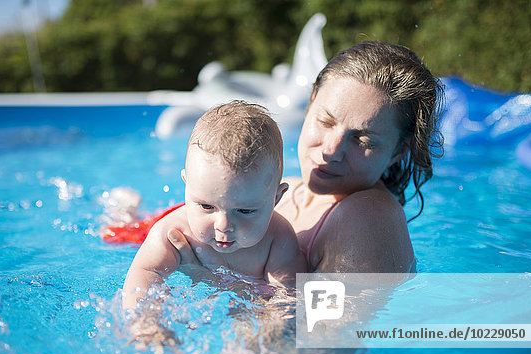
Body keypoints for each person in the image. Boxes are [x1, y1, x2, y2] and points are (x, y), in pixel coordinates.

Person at [168, 41, 444, 274]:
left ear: (398, 151)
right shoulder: (288, 189)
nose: (330, 150)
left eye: (363, 139)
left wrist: (216, 277)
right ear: (310, 102)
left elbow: (325, 335)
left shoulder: (369, 219)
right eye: (325, 121)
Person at [122, 101, 307, 310]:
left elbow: (289, 295)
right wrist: (146, 321)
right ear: (187, 184)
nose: (223, 224)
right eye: (206, 206)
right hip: (149, 227)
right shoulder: (174, 231)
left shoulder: (278, 238)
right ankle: (125, 209)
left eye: (244, 211)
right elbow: (145, 272)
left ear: (276, 198)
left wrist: (271, 329)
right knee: (124, 233)